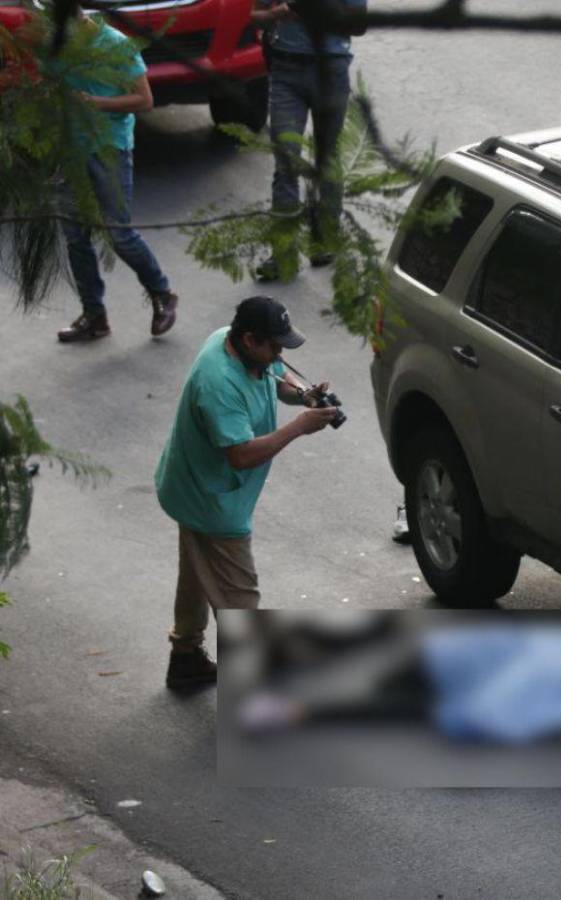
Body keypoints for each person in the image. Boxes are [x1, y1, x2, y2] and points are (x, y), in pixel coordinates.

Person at [155, 297, 339, 689]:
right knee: (240, 598)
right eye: (275, 346)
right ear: (250, 339)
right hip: (211, 498)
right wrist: (300, 427)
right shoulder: (219, 383)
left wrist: (304, 394)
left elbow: (277, 378)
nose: (279, 354)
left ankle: (185, 656)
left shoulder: (237, 342)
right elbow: (240, 455)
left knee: (197, 570)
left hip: (194, 486)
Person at [52, 6, 180, 343]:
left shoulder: (115, 45)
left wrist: (94, 102)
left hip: (109, 148)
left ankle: (162, 293)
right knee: (76, 236)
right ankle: (94, 316)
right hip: (69, 151)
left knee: (118, 233)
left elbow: (144, 99)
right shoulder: (57, 44)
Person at [249, 0, 367, 281]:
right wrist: (278, 13)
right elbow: (256, 17)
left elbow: (359, 25)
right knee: (286, 161)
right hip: (286, 70)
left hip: (331, 70)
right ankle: (283, 255)